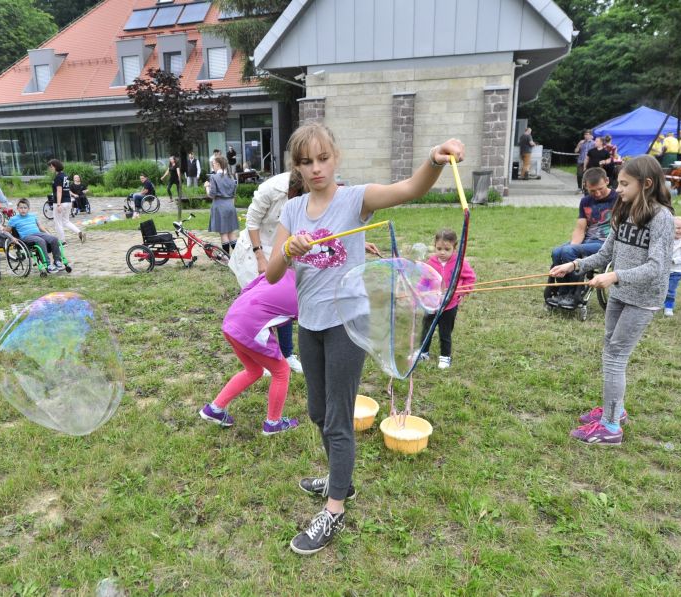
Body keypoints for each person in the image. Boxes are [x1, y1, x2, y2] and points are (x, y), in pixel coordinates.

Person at [266, 122, 464, 555]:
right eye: (305, 162)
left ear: (335, 157)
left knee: (338, 417)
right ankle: (342, 478)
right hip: (310, 325)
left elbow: (410, 189)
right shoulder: (293, 211)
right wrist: (287, 251)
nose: (316, 168)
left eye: (322, 158)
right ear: (296, 168)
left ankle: (335, 507)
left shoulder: (355, 200)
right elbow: (272, 274)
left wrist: (434, 158)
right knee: (318, 411)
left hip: (346, 323)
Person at [549, 155, 674, 445]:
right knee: (610, 350)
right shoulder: (622, 210)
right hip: (619, 293)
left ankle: (610, 426)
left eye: (624, 184)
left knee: (615, 356)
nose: (618, 190)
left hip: (642, 298)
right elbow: (606, 254)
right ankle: (613, 410)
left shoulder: (662, 218)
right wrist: (573, 265)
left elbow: (658, 267)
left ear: (647, 184)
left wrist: (615, 276)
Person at [199, 269, 300, 435]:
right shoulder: (305, 292)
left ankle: (214, 409)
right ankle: (273, 424)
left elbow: (246, 290)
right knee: (281, 371)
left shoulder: (280, 272)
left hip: (231, 320)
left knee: (254, 371)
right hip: (251, 329)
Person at [229, 170, 306, 373]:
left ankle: (287, 354)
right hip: (256, 250)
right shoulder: (271, 189)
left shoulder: (308, 192)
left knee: (283, 304)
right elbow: (252, 223)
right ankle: (264, 357)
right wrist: (260, 257)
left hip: (282, 250)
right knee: (261, 308)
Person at [548, 167, 619, 308]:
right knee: (557, 251)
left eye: (600, 189)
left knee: (568, 252)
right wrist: (572, 247)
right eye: (592, 191)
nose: (597, 193)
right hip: (589, 240)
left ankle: (574, 293)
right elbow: (580, 228)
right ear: (586, 186)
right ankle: (563, 291)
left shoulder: (618, 198)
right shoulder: (585, 201)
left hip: (606, 243)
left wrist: (570, 251)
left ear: (607, 181)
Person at [417, 228, 476, 369]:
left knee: (445, 332)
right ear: (434, 246)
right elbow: (425, 280)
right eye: (439, 248)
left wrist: (462, 291)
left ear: (454, 248)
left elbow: (470, 278)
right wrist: (421, 291)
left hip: (450, 304)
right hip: (431, 303)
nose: (442, 252)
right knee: (427, 329)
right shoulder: (431, 262)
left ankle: (445, 356)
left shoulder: (459, 263)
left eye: (447, 249)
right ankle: (423, 352)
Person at [5, 199, 64, 273]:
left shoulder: (33, 216)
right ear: (17, 208)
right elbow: (5, 232)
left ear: (28, 209)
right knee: (40, 241)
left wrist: (47, 232)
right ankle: (47, 264)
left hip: (38, 233)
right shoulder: (13, 219)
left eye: (25, 208)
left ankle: (57, 261)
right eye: (21, 208)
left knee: (54, 239)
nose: (23, 210)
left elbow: (40, 226)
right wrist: (12, 238)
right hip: (26, 237)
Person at [207, 156, 239, 254]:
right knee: (231, 232)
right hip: (230, 205)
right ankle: (239, 256)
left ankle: (226, 256)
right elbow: (233, 194)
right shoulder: (231, 177)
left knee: (223, 233)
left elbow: (211, 195)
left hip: (220, 206)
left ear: (218, 164)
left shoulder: (214, 177)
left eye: (213, 164)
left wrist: (207, 187)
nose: (213, 166)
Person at [49, 160, 85, 244]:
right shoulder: (65, 176)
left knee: (58, 222)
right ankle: (79, 232)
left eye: (51, 167)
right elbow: (67, 189)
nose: (50, 168)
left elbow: (59, 191)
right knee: (66, 221)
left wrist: (58, 204)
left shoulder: (58, 177)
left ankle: (62, 241)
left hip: (60, 202)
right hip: (68, 201)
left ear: (55, 166)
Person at [664, 216, 681, 317]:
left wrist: (674, 260)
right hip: (663, 270)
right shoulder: (666, 240)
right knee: (660, 288)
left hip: (676, 271)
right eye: (678, 228)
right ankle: (657, 304)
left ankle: (668, 307)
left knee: (670, 290)